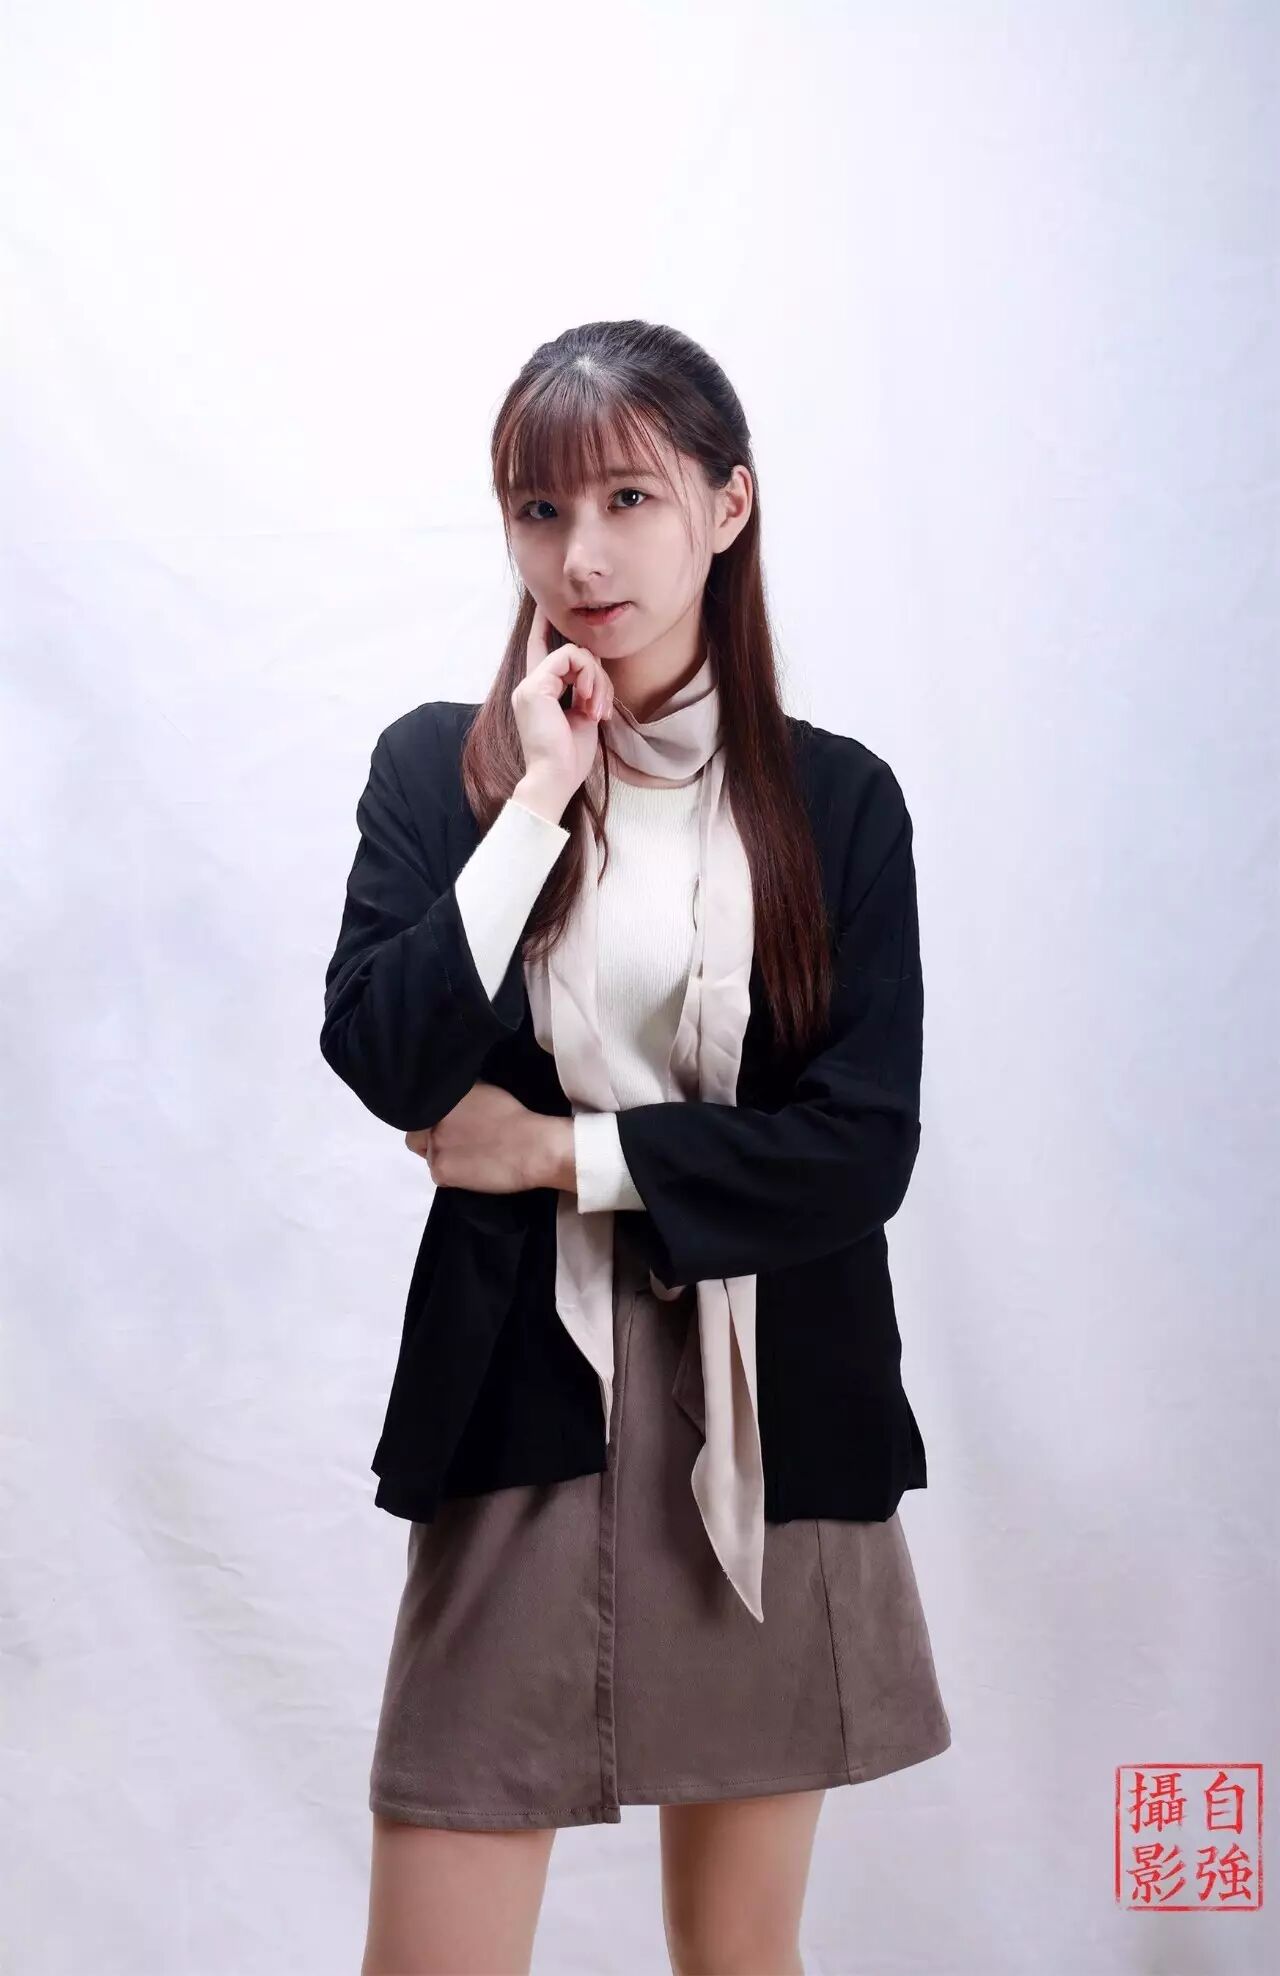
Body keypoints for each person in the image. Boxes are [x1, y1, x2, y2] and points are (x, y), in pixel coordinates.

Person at [320, 319, 951, 1976]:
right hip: (524, 1397)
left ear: (727, 507)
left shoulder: (838, 803)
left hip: (778, 1414)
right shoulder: (444, 772)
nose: (580, 557)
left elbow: (857, 1152)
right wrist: (540, 799)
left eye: (627, 499)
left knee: (737, 1957)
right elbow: (387, 1057)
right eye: (539, 511)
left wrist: (559, 1155)